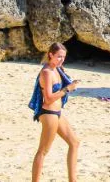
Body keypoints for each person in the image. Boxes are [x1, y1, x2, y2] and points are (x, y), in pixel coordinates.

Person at [30, 43, 80, 182]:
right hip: (49, 113)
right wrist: (67, 89)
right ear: (50, 55)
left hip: (57, 113)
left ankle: (73, 180)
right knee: (43, 151)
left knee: (74, 142)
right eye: (58, 57)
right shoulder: (46, 72)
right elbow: (48, 98)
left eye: (63, 57)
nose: (61, 60)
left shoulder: (57, 69)